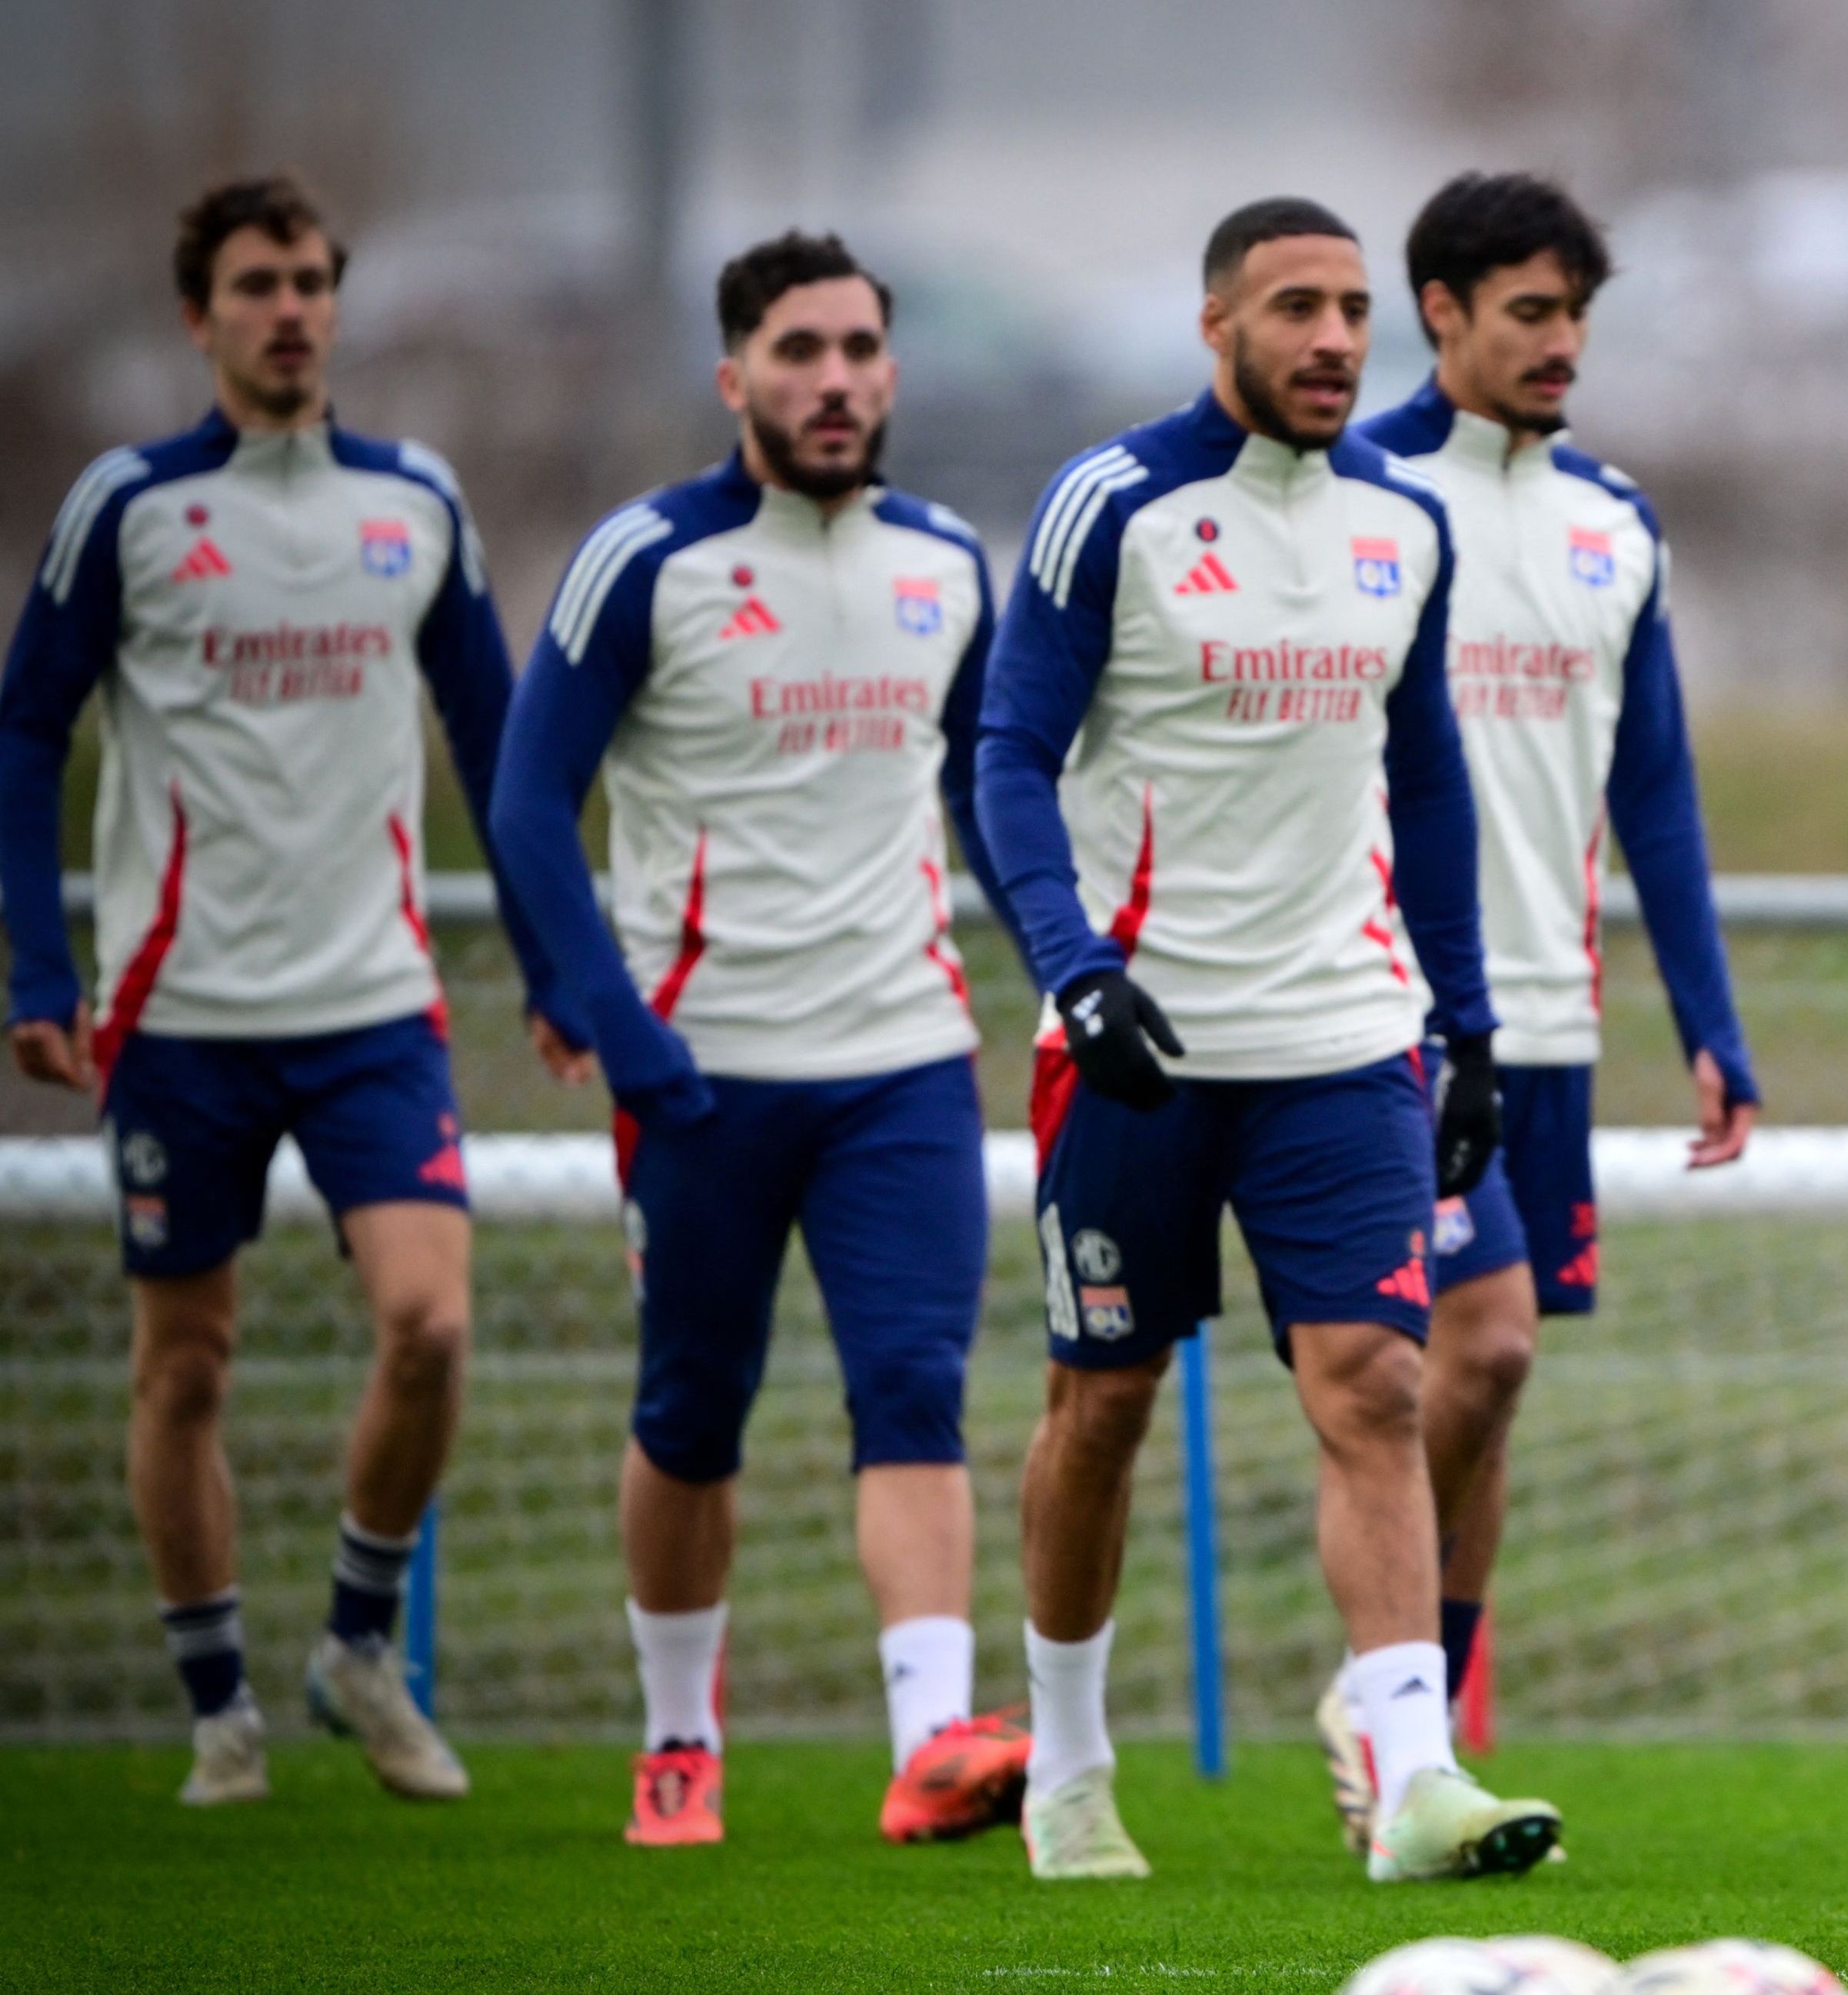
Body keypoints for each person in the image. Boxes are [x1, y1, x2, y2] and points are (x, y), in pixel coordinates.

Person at [973, 194, 1558, 1883]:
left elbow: (1429, 781)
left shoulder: (1401, 522)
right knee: (1101, 1399)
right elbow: (1008, 756)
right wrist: (1076, 967)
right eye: (1292, 306)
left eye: (1352, 309)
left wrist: (1467, 1028)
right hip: (1134, 1040)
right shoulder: (1114, 507)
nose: (1329, 339)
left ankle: (1415, 1768)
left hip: (1342, 1035)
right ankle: (1069, 1769)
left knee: (1375, 1382)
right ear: (1213, 322)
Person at [0, 173, 564, 1807]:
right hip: (179, 1016)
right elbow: (26, 730)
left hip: (375, 1004)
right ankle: (216, 1706)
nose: (292, 308)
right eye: (258, 283)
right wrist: (45, 963)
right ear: (201, 315)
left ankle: (356, 1646)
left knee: (433, 1321)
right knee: (186, 1365)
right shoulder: (130, 508)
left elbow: (499, 742)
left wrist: (554, 969)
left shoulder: (417, 502)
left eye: (313, 279)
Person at [488, 232, 1031, 1850]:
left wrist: (1075, 950)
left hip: (903, 1061)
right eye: (800, 351)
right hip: (701, 1071)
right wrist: (616, 1022)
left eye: (863, 348)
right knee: (692, 1410)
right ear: (735, 378)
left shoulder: (945, 560)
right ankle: (675, 1737)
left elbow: (984, 802)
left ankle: (932, 1740)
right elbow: (525, 806)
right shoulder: (645, 560)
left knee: (916, 1389)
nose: (838, 379)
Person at [1320, 171, 1756, 1848]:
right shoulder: (1354, 500)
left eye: (1576, 313)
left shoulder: (1613, 523)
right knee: (1472, 1343)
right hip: (1392, 1012)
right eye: (1528, 312)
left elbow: (1655, 789)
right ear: (1438, 313)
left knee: (1489, 1385)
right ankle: (1391, 1717)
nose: (1561, 342)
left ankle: (1403, 1713)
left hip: (1556, 1024)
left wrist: (1708, 1021)